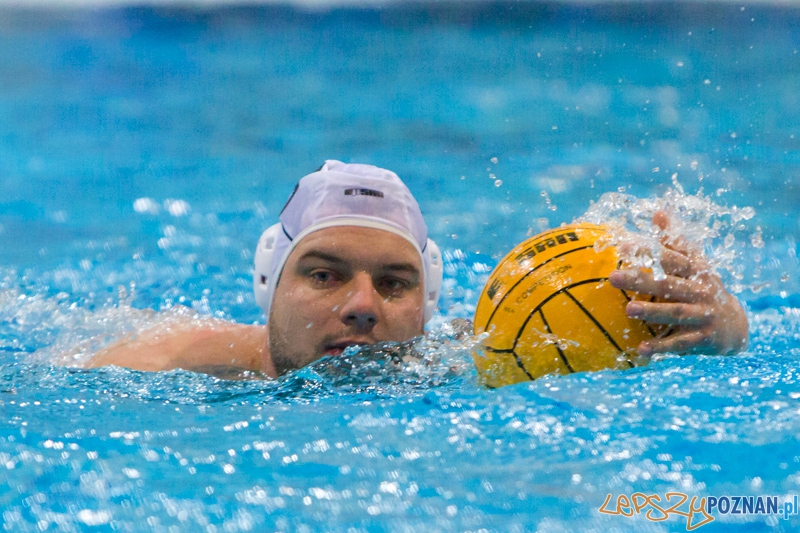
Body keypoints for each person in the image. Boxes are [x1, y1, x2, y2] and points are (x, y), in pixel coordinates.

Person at [87, 160, 749, 378]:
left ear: (428, 302)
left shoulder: (483, 353)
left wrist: (720, 330)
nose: (362, 306)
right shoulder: (162, 365)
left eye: (394, 283)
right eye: (324, 275)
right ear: (269, 286)